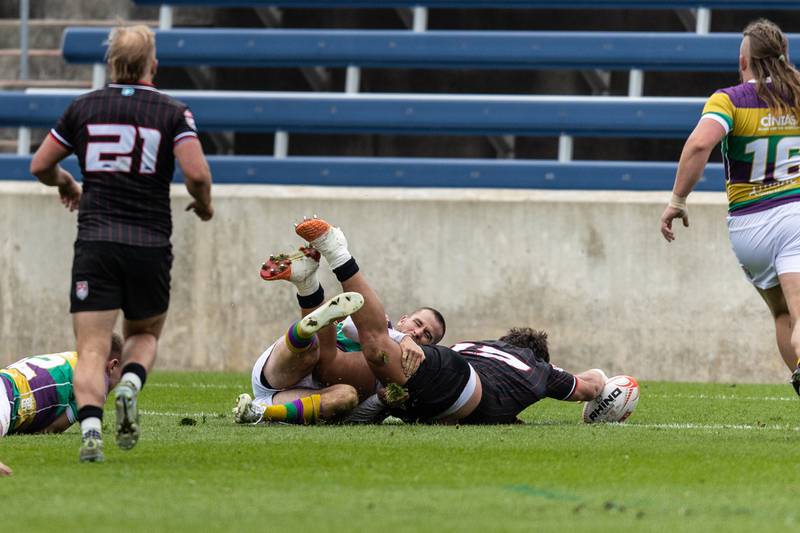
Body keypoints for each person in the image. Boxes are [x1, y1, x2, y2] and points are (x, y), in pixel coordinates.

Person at [29, 25, 214, 462]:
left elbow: (40, 164)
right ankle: (129, 385)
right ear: (153, 64)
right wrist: (203, 205)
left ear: (110, 63)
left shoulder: (84, 107)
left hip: (96, 241)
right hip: (150, 242)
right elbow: (198, 174)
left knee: (92, 348)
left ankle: (91, 428)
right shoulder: (172, 111)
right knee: (144, 334)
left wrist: (66, 181)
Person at [292, 216, 608, 424]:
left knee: (331, 364)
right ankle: (338, 253)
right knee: (377, 346)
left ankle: (308, 285)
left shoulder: (476, 347)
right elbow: (590, 386)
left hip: (445, 373)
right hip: (458, 384)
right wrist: (609, 384)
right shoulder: (539, 368)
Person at [659, 18, 800, 395]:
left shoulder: (728, 100)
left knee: (784, 313)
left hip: (747, 230)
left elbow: (698, 145)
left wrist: (677, 200)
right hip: (794, 216)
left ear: (744, 62)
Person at [233, 248, 441, 424]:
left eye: (427, 336)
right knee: (313, 350)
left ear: (429, 347)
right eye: (418, 323)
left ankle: (258, 412)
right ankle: (307, 295)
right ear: (403, 319)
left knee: (346, 397)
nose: (417, 333)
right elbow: (350, 327)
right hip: (282, 369)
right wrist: (399, 338)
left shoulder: (400, 376)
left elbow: (353, 418)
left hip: (287, 397)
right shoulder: (381, 324)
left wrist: (381, 401)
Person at [1, 335, 123, 437]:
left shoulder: (72, 358)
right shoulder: (98, 379)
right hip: (11, 398)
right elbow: (52, 429)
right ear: (113, 365)